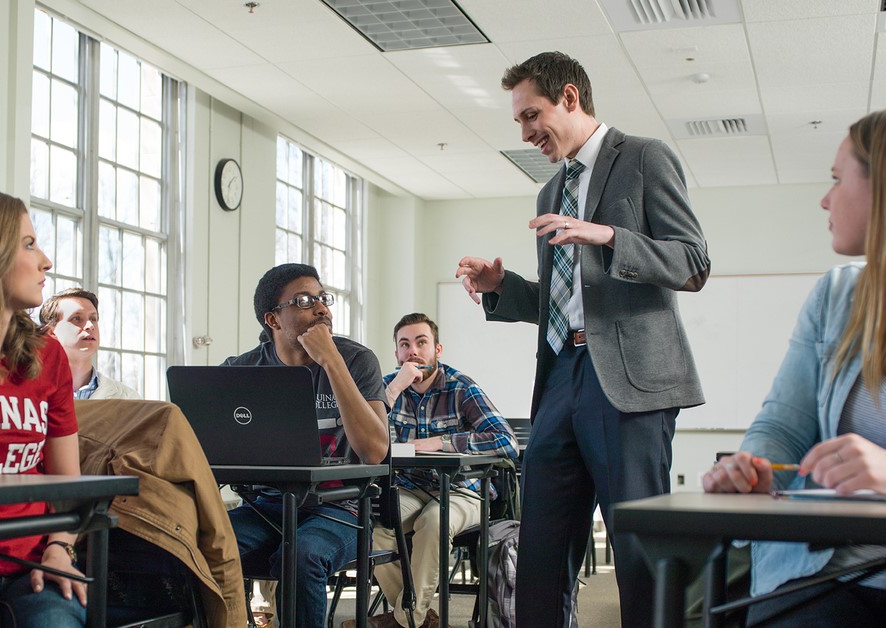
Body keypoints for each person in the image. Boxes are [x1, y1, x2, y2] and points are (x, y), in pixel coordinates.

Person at [455, 51, 711, 627]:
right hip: (559, 378)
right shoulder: (550, 195)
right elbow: (562, 300)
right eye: (518, 122)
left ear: (570, 97)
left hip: (628, 382)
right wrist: (502, 287)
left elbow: (692, 263)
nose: (525, 133)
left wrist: (607, 235)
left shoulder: (644, 158)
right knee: (540, 552)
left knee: (638, 551)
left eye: (532, 115)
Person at [703, 110, 886, 626]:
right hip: (829, 573)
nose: (825, 199)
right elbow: (782, 424)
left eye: (836, 178)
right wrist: (751, 467)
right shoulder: (837, 295)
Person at [0, 189, 86, 626]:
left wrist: (60, 547)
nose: (45, 261)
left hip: (36, 564)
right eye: (28, 244)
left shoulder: (48, 356)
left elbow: (67, 484)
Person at [223, 263, 389, 627]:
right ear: (273, 320)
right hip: (265, 505)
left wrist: (331, 361)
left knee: (300, 556)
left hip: (340, 506)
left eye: (321, 297)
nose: (321, 308)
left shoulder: (356, 360)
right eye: (302, 300)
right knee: (202, 542)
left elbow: (374, 451)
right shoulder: (243, 369)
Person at [349, 313, 518, 628]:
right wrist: (393, 390)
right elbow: (355, 441)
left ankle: (404, 620)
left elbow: (505, 441)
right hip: (409, 488)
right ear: (397, 354)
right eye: (405, 344)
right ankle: (418, 618)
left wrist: (443, 442)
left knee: (434, 521)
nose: (413, 350)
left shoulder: (460, 387)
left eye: (421, 342)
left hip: (463, 491)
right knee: (374, 529)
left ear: (437, 349)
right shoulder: (386, 387)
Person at [39, 288, 141, 400]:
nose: (90, 325)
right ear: (51, 333)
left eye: (93, 319)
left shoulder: (128, 398)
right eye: (77, 318)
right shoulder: (26, 394)